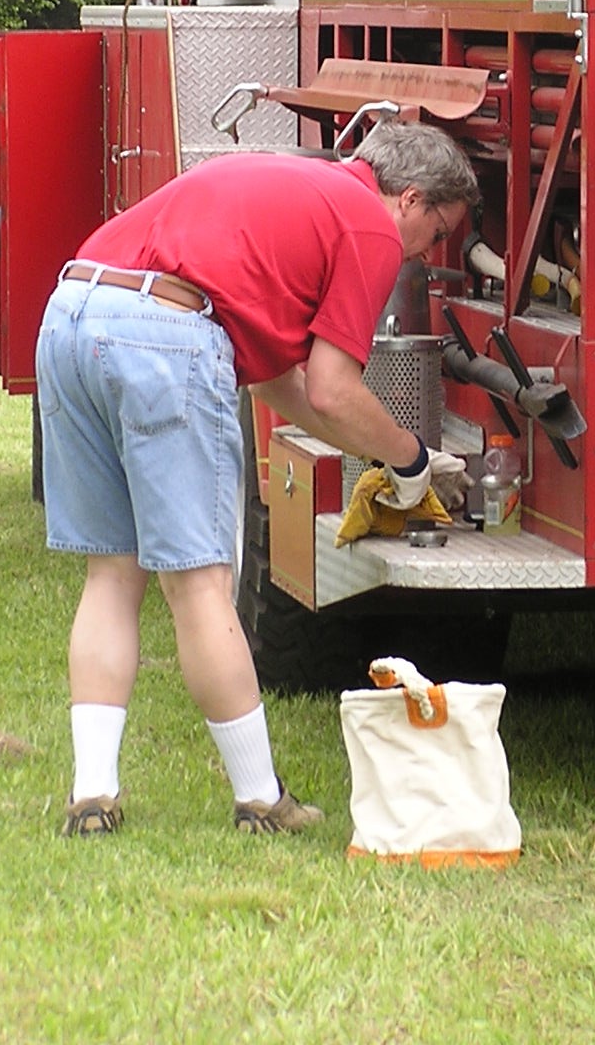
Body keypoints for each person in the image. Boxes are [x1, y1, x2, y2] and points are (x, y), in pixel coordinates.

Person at [35, 118, 479, 839]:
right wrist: (410, 460)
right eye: (435, 235)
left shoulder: (294, 185)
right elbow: (335, 389)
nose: (424, 255)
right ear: (411, 199)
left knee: (112, 575)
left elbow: (281, 385)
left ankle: (93, 797)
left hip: (72, 314)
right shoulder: (368, 225)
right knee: (200, 584)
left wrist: (381, 453)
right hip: (164, 334)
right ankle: (260, 801)